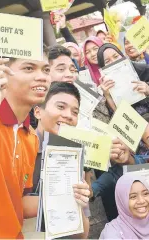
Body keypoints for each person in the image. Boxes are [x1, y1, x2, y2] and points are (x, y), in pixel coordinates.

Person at [0, 52, 89, 237]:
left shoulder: (30, 138)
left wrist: (68, 196)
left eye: (46, 69)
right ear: (2, 72)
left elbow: (17, 200)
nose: (42, 76)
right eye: (29, 68)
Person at [31, 81, 91, 238]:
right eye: (60, 107)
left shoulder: (74, 159)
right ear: (38, 112)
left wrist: (79, 204)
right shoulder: (20, 149)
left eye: (75, 112)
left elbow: (82, 235)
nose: (68, 116)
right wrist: (57, 198)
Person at [97, 43, 149, 135]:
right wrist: (108, 95)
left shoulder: (146, 71)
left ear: (122, 56)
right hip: (138, 137)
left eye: (116, 56)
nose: (114, 62)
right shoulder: (107, 89)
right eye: (107, 61)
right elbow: (120, 120)